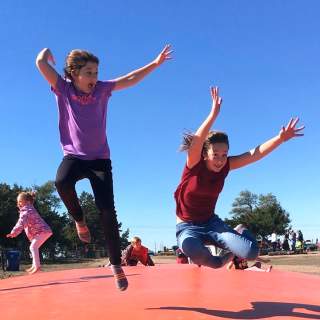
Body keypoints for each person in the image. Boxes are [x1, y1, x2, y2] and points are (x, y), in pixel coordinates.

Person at [36, 45, 172, 290]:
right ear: (74, 73)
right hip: (74, 156)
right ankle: (79, 220)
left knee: (108, 212)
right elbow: (40, 64)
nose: (94, 78)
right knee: (61, 181)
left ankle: (115, 265)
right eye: (88, 73)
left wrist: (154, 64)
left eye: (96, 72)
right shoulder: (63, 89)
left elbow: (129, 79)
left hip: (100, 159)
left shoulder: (102, 90)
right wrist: (46, 53)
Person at [174, 86, 304, 269]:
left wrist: (280, 138)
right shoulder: (194, 165)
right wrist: (213, 115)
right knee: (208, 259)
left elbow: (254, 155)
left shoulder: (226, 165)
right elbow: (197, 141)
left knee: (251, 253)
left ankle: (239, 231)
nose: (220, 160)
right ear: (205, 154)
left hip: (212, 223)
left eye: (224, 154)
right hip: (188, 227)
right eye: (216, 154)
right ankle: (224, 257)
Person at [6, 192, 52, 274]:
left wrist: (14, 232)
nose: (18, 203)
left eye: (20, 201)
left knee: (33, 247)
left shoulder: (26, 210)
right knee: (33, 247)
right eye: (18, 201)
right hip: (41, 232)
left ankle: (37, 267)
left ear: (27, 202)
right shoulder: (29, 209)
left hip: (43, 231)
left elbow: (21, 222)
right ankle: (34, 266)